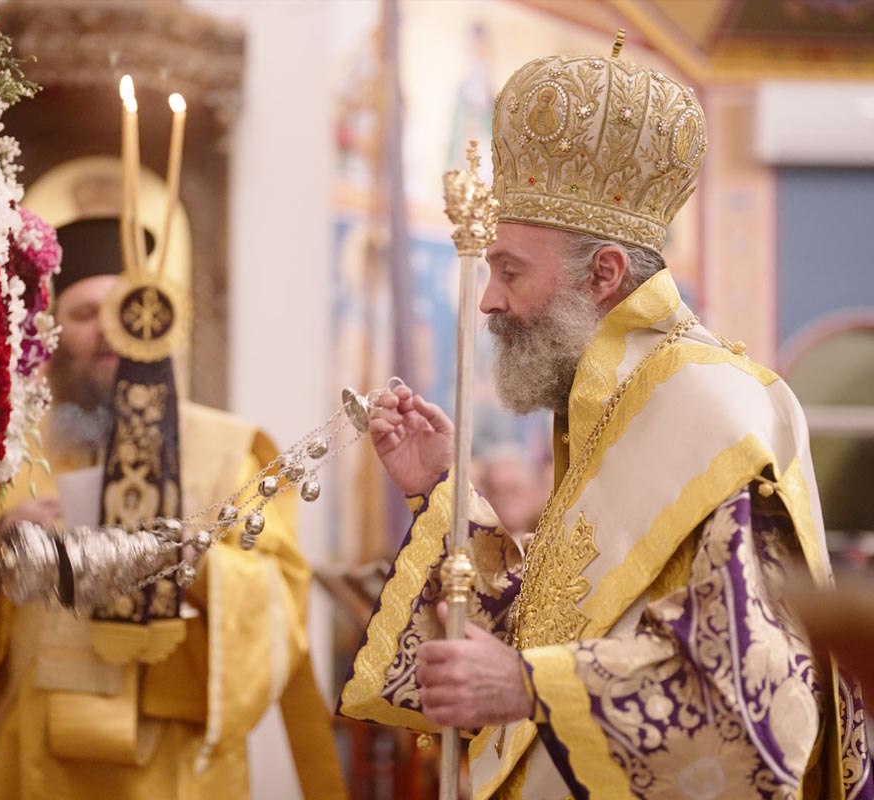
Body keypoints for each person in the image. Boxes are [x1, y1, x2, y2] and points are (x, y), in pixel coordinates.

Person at [338, 43, 873, 798]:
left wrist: (534, 687)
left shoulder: (712, 411)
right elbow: (553, 627)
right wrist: (445, 491)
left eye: (510, 269)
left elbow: (762, 702)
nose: (489, 300)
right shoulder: (610, 402)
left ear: (606, 273)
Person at [0, 159, 344, 799]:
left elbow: (278, 604)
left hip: (170, 774)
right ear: (51, 330)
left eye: (127, 308)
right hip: (20, 764)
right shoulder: (0, 455)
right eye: (85, 312)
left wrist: (197, 560)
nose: (108, 332)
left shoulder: (225, 453)